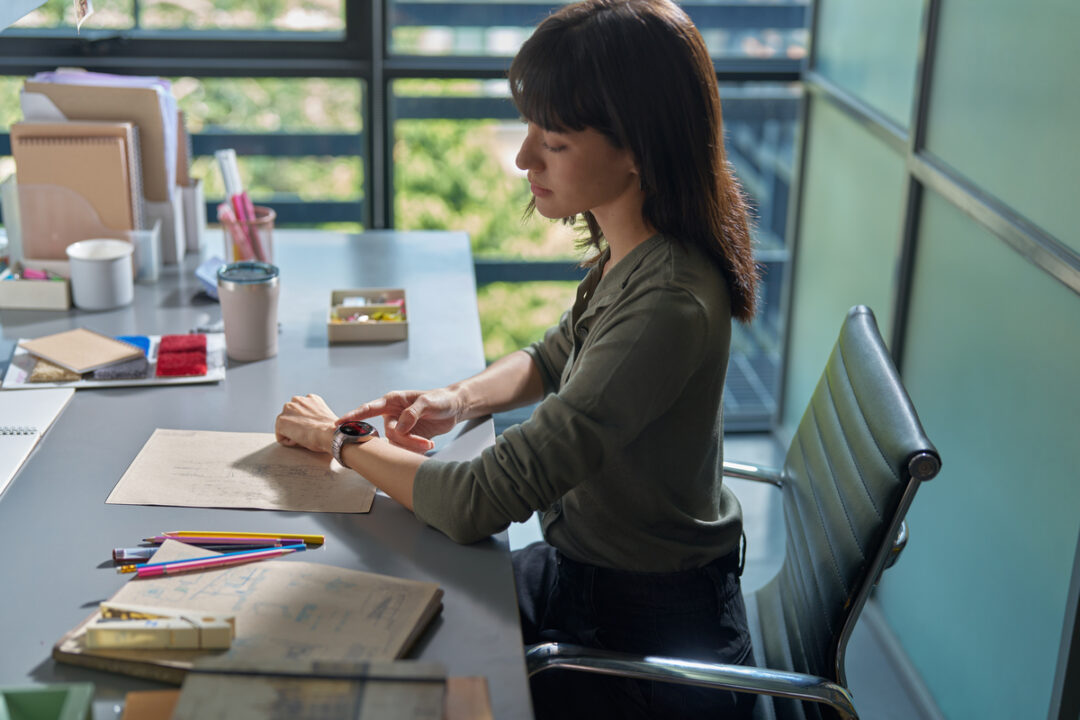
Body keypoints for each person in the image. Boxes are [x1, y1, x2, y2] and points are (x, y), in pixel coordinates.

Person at [275, 0, 760, 717]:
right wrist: (458, 399)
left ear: (637, 147)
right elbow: (551, 356)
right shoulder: (637, 251)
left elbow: (480, 502)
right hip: (592, 580)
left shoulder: (668, 303)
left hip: (639, 639)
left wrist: (341, 443)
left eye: (554, 141)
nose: (522, 158)